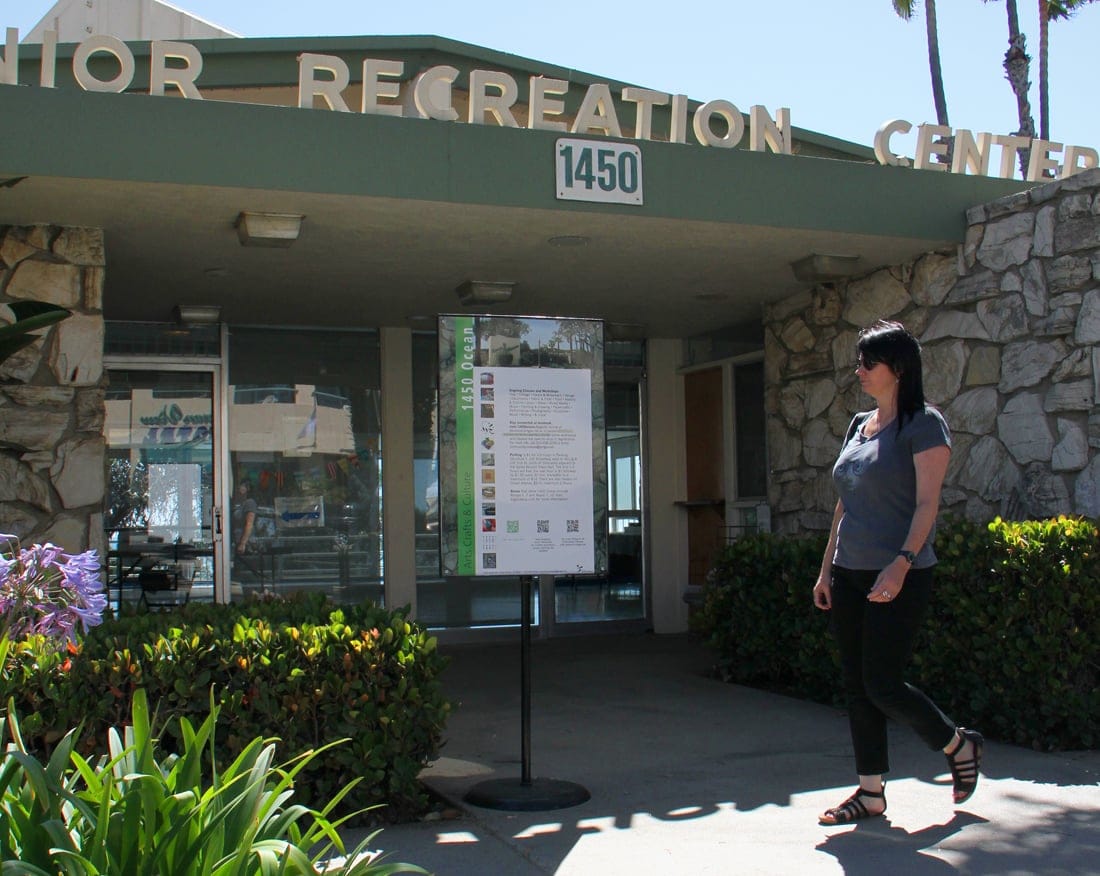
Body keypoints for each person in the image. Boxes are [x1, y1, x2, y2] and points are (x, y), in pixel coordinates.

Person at [812, 320, 983, 826]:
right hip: (850, 572)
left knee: (882, 683)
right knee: (856, 685)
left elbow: (927, 503)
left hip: (898, 572)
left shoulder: (925, 424)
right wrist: (826, 572)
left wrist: (902, 563)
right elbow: (844, 507)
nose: (859, 370)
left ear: (899, 369)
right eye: (859, 361)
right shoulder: (858, 426)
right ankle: (870, 793)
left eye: (869, 362)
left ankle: (956, 743)